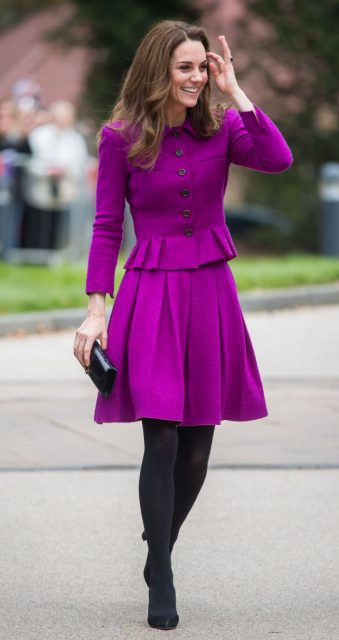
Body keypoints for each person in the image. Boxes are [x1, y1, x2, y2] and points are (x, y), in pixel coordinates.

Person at [73, 20, 293, 631]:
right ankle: (163, 574)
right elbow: (106, 227)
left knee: (199, 443)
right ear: (158, 71)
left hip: (211, 292)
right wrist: (98, 309)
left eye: (203, 67)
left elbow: (277, 157)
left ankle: (157, 542)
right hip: (151, 291)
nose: (197, 78)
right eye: (186, 68)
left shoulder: (222, 128)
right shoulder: (120, 137)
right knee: (162, 435)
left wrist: (238, 89)